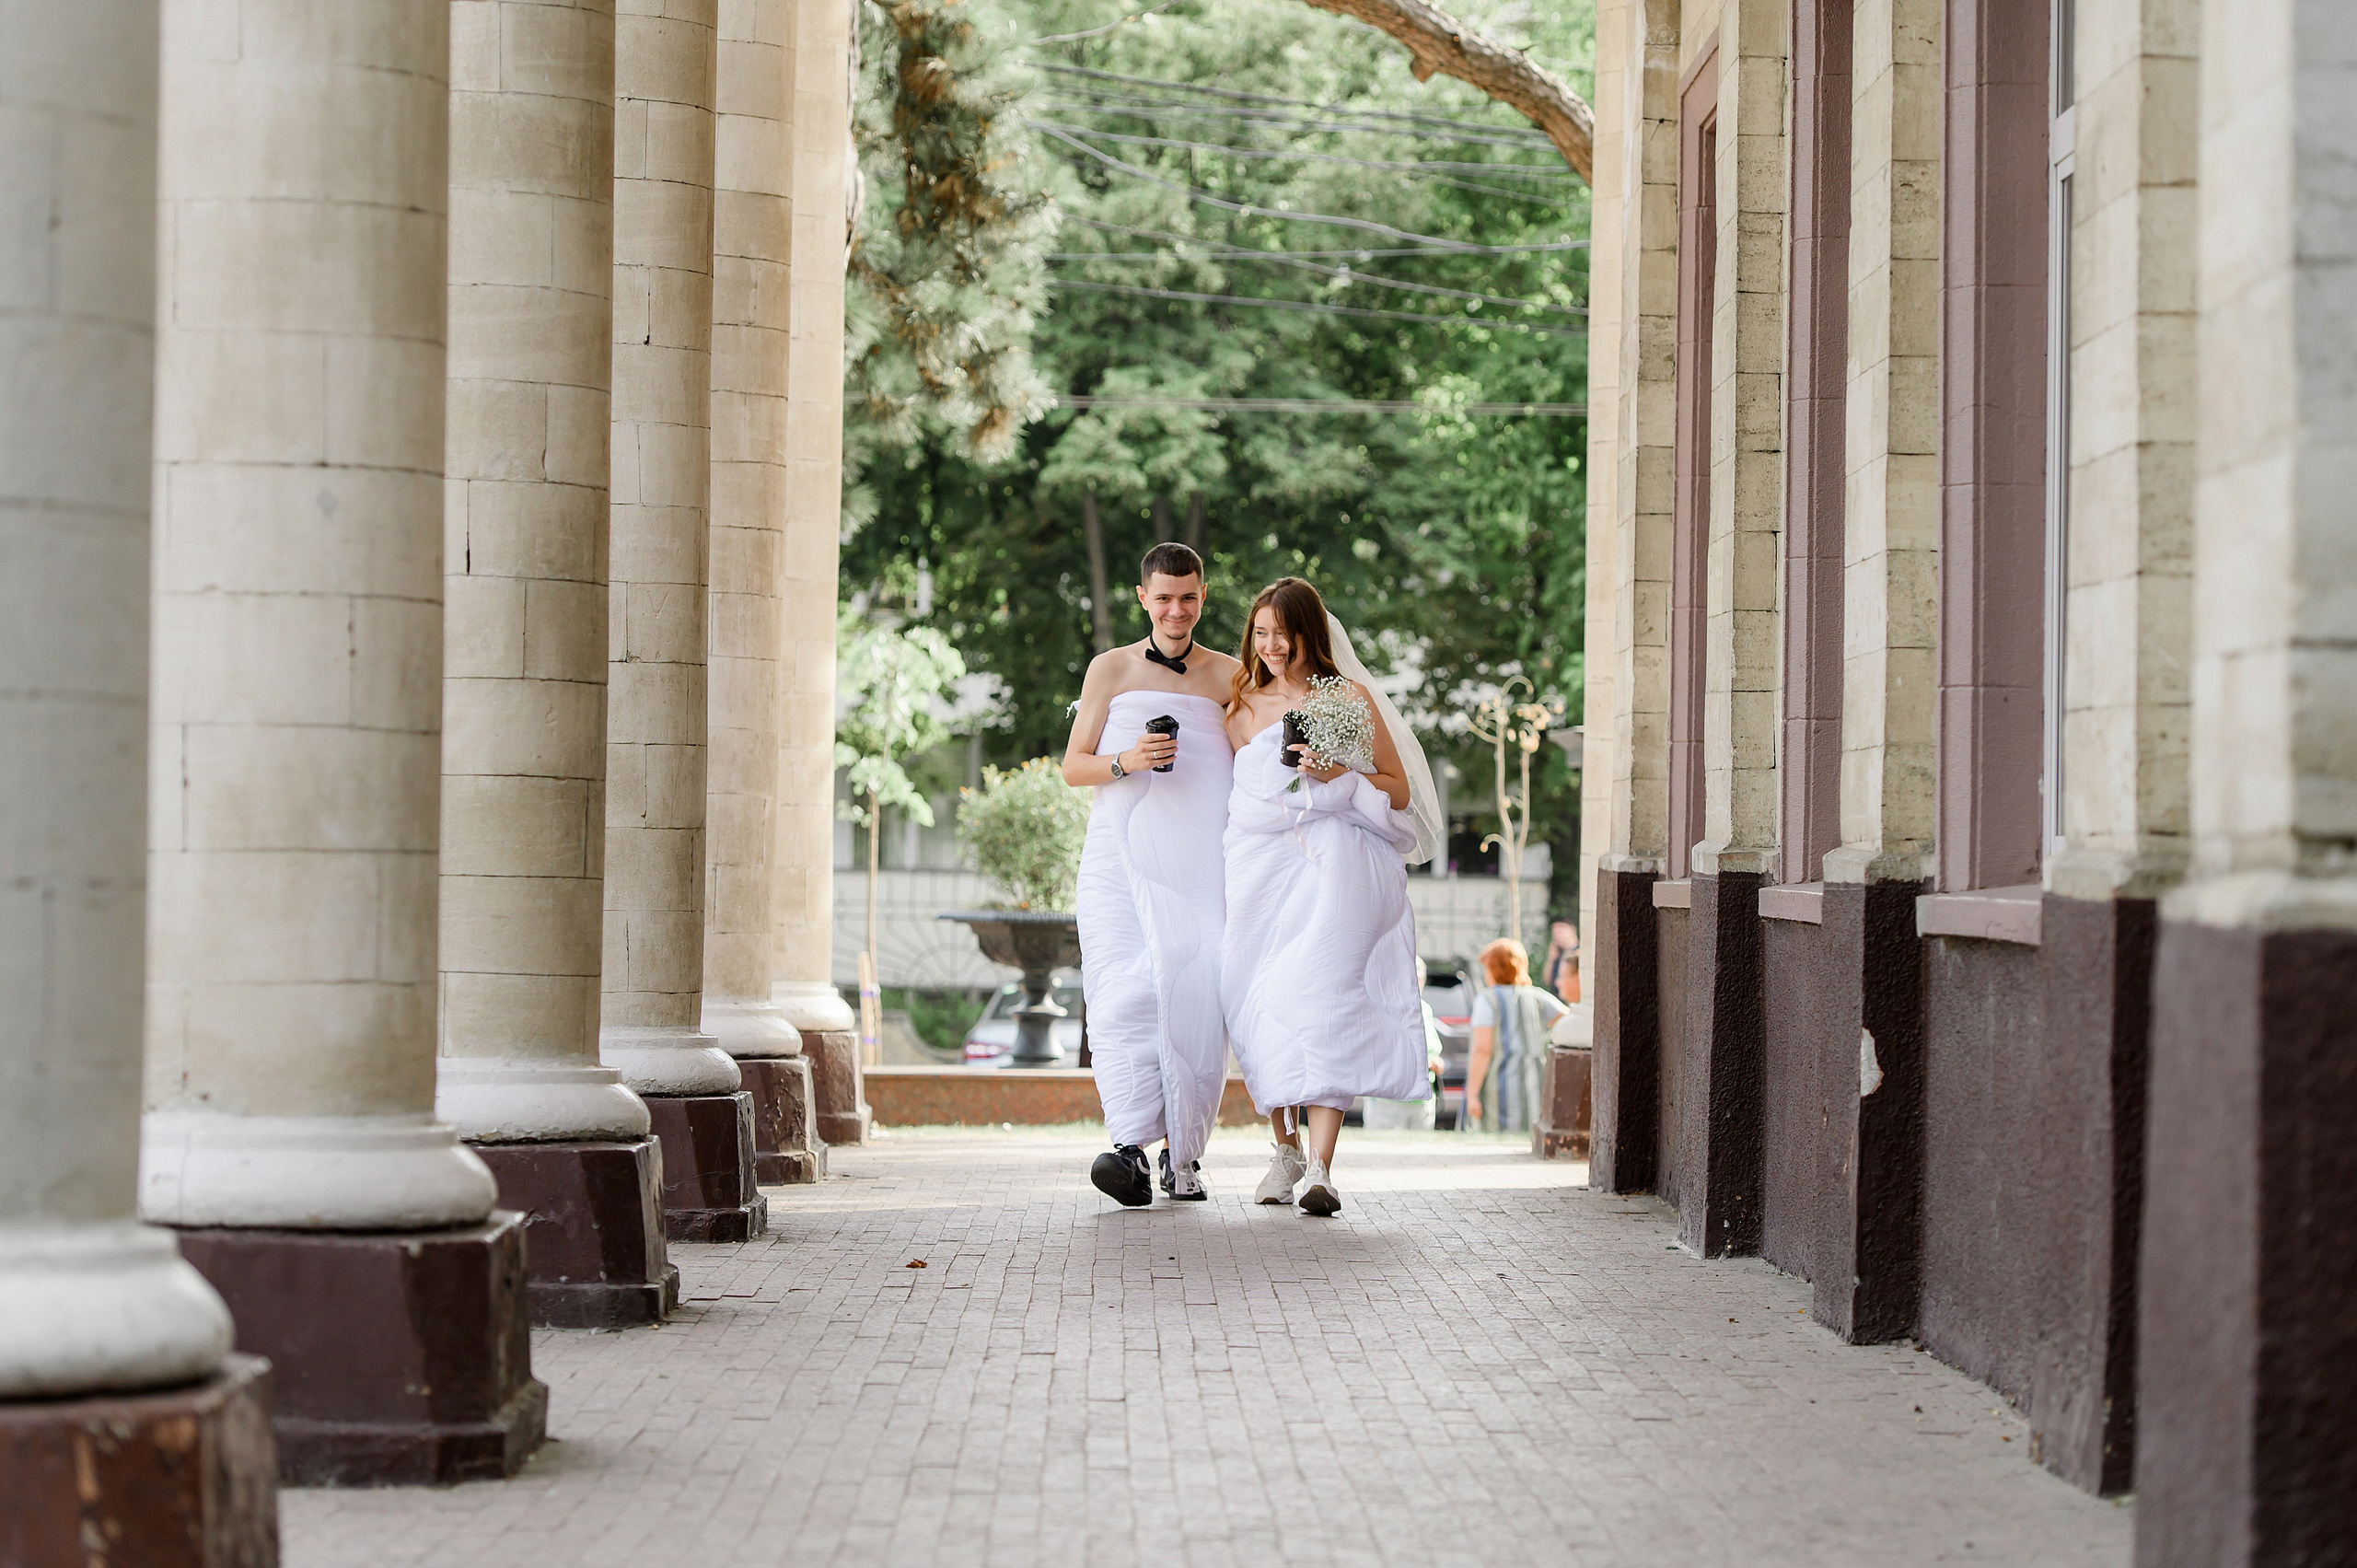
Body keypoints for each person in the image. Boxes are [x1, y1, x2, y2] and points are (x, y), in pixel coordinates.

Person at [1220, 577, 1444, 1216]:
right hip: (1260, 870)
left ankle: (1321, 1167)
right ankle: (1284, 1146)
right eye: (1260, 634)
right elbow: (1241, 797)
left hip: (1333, 869)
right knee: (1254, 997)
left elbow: (1397, 790)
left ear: (1308, 633)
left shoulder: (1345, 696)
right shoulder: (1239, 704)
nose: (1270, 647)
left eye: (1281, 635)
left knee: (1322, 997)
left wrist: (1339, 768)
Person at [1062, 542, 1241, 1206]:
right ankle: (1129, 1145)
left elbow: (1255, 759)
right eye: (1163, 597)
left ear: (1203, 596)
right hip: (1116, 852)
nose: (1176, 609)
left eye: (1188, 596)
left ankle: (1184, 1154)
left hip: (1198, 857)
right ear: (1142, 597)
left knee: (1193, 991)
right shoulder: (1108, 670)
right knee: (1120, 991)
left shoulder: (1229, 675)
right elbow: (1073, 764)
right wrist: (1127, 758)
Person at [1462, 937, 1569, 1132]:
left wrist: (1472, 1094)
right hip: (1534, 1088)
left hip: (1499, 1090)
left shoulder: (1487, 1000)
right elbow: (1568, 1020)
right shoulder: (1538, 996)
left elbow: (1482, 1051)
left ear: (1495, 969)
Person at [1542, 919, 1582, 1003]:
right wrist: (1550, 959)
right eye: (1555, 932)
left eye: (1560, 931)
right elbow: (1547, 980)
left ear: (1572, 929)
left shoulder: (1579, 952)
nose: (1557, 935)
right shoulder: (1557, 953)